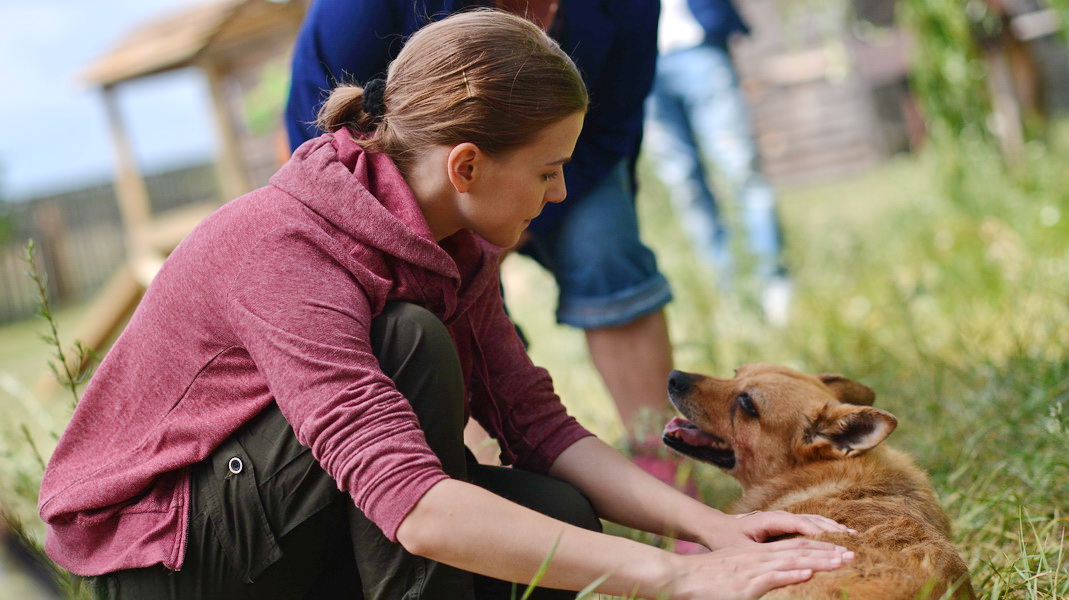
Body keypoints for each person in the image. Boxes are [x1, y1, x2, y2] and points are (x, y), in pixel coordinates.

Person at [40, 12, 854, 599]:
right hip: (170, 554)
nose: (560, 193)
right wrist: (674, 577)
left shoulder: (456, 245)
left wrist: (711, 531)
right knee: (408, 341)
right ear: (465, 166)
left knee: (560, 513)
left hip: (281, 514)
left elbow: (537, 426)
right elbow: (411, 504)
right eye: (546, 171)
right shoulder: (287, 245)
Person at [285, 0, 677, 464]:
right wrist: (430, 238)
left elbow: (612, 125)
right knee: (433, 310)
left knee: (606, 248)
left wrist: (512, 220)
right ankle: (480, 472)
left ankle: (663, 459)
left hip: (569, 155)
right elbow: (325, 130)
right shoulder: (359, 11)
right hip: (403, 175)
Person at [645, 0, 793, 324]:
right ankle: (729, 291)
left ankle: (774, 281)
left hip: (699, 47)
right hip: (641, 62)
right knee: (684, 183)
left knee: (741, 168)